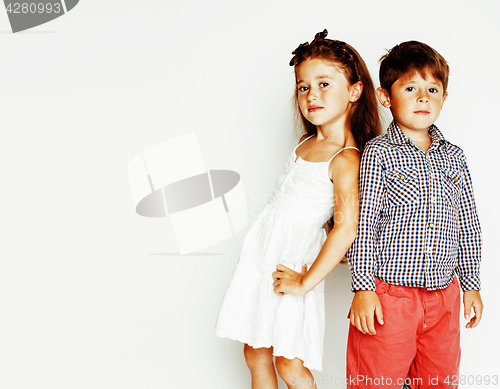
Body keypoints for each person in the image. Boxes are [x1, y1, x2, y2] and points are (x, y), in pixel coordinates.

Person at [215, 29, 380, 389]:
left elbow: (346, 227)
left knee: (289, 362)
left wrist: (305, 281)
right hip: (264, 259)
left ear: (354, 91)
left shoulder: (346, 159)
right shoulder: (306, 143)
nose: (311, 95)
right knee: (254, 351)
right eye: (303, 87)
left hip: (293, 265)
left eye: (324, 84)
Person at [346, 41, 483, 389]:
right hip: (390, 297)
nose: (423, 98)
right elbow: (366, 223)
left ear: (444, 98)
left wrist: (470, 285)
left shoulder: (454, 157)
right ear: (385, 96)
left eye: (432, 90)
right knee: (376, 380)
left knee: (438, 382)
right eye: (410, 88)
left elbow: (468, 225)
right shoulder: (380, 153)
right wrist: (364, 288)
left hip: (444, 296)